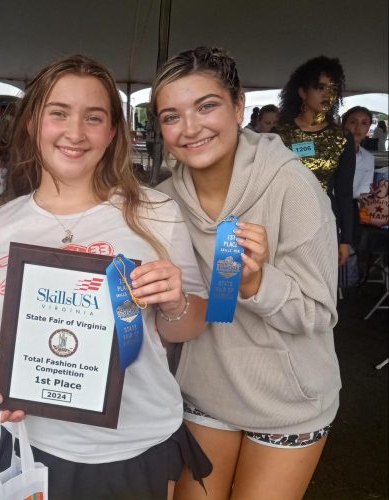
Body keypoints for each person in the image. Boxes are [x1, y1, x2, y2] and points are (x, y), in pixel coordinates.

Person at [0, 54, 212, 500]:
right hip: (32, 443)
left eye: (94, 118)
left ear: (111, 134)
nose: (74, 133)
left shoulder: (155, 213)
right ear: (33, 124)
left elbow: (189, 326)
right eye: (59, 113)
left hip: (136, 442)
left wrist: (174, 301)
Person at [152, 46, 341, 500]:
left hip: (287, 402)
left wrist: (257, 284)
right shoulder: (161, 203)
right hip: (203, 392)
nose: (190, 128)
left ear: (239, 107)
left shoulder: (292, 185)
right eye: (171, 116)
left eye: (207, 106)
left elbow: (318, 314)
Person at [276, 56, 356, 267]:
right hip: (283, 222)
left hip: (325, 223)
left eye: (333, 88)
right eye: (320, 87)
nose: (328, 94)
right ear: (303, 92)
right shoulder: (279, 134)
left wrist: (346, 239)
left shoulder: (342, 137)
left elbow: (344, 192)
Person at [342, 106, 375, 246]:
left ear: (368, 129)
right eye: (353, 122)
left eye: (364, 123)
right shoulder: (329, 153)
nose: (358, 127)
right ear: (344, 125)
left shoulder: (368, 158)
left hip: (351, 208)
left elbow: (364, 193)